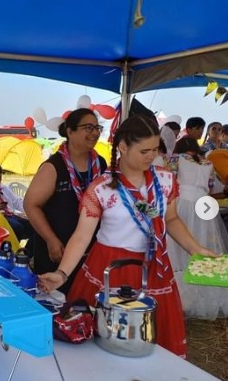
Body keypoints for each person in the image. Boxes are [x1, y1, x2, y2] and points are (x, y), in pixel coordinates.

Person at [40, 114, 218, 357]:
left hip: (153, 268)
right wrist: (62, 274)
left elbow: (172, 219)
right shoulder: (102, 187)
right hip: (109, 268)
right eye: (144, 151)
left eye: (155, 149)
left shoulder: (165, 180)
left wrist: (196, 249)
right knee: (104, 345)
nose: (151, 156)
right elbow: (82, 236)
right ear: (123, 147)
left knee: (150, 346)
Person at [23, 108, 107, 295]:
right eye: (88, 127)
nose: (94, 133)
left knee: (87, 301)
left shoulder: (100, 163)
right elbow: (30, 205)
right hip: (57, 251)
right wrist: (51, 239)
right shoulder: (54, 166)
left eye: (97, 127)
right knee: (57, 300)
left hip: (90, 247)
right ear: (70, 131)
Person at [166, 137, 228, 320]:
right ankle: (209, 298)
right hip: (204, 206)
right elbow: (209, 187)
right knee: (206, 243)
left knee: (177, 247)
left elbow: (170, 181)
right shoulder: (207, 162)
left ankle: (181, 298)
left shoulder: (176, 159)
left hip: (182, 202)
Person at [0, 162, 34, 242]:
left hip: (12, 215)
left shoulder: (4, 188)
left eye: (0, 177)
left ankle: (27, 251)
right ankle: (14, 249)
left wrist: (30, 211)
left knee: (34, 225)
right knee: (17, 227)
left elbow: (16, 202)